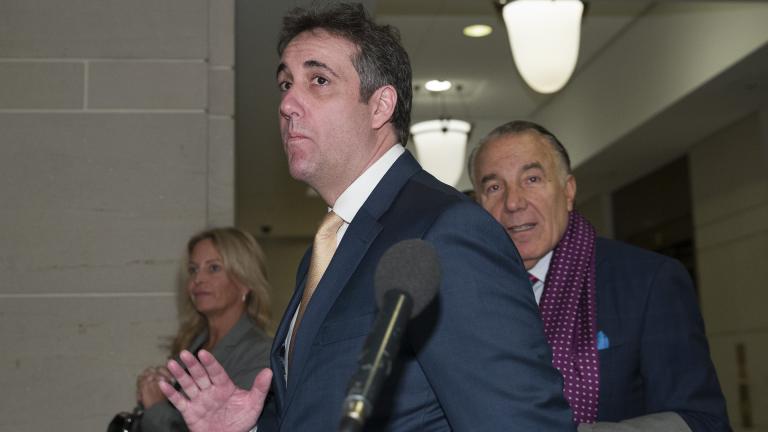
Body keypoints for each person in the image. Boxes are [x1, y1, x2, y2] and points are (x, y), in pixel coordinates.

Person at [159, 3, 574, 431]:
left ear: (380, 106)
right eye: (285, 83)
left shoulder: (446, 231)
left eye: (318, 80)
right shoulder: (328, 245)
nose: (287, 103)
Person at [469, 120, 731, 431]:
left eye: (533, 179)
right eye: (494, 187)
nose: (513, 202)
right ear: (478, 206)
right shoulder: (465, 293)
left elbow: (702, 421)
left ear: (568, 192)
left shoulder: (649, 281)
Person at [135, 227, 272, 431]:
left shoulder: (260, 353)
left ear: (245, 281)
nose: (197, 279)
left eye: (213, 268)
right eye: (193, 269)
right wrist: (157, 389)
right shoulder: (192, 343)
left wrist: (156, 406)